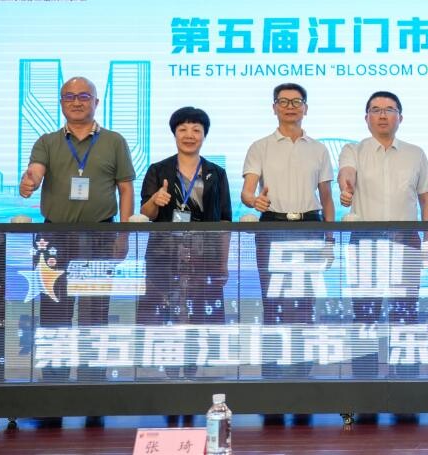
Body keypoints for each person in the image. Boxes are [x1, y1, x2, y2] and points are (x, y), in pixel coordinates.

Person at [17, 76, 135, 428]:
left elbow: (125, 189)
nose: (77, 101)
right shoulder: (47, 141)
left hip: (101, 235)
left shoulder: (114, 141)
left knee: (95, 313)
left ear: (96, 102)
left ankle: (92, 389)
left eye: (84, 96)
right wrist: (29, 180)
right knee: (54, 313)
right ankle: (53, 391)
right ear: (61, 103)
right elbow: (35, 172)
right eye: (69, 96)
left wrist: (124, 233)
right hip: (54, 237)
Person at [337, 90, 428, 424]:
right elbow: (346, 173)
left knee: (405, 314)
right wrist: (346, 188)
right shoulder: (353, 150)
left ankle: (406, 390)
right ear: (366, 117)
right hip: (365, 240)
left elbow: (426, 200)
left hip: (405, 240)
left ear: (400, 117)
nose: (382, 115)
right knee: (365, 316)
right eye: (376, 110)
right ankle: (364, 391)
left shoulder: (415, 153)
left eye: (389, 109)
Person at [240, 82, 334, 426]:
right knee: (274, 302)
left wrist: (329, 238)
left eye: (297, 102)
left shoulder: (319, 149)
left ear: (306, 108)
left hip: (309, 226)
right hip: (273, 226)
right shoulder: (260, 146)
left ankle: (301, 378)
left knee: (305, 304)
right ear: (274, 107)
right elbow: (248, 192)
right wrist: (255, 201)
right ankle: (272, 380)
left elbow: (327, 198)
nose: (290, 106)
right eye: (284, 101)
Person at [136, 106, 232, 422]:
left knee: (197, 314)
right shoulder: (158, 170)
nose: (189, 135)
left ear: (204, 135)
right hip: (165, 254)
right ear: (174, 133)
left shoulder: (216, 173)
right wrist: (155, 201)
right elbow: (145, 214)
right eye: (183, 129)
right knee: (167, 312)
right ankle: (170, 379)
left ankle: (191, 377)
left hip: (204, 255)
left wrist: (223, 262)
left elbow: (225, 220)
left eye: (196, 130)